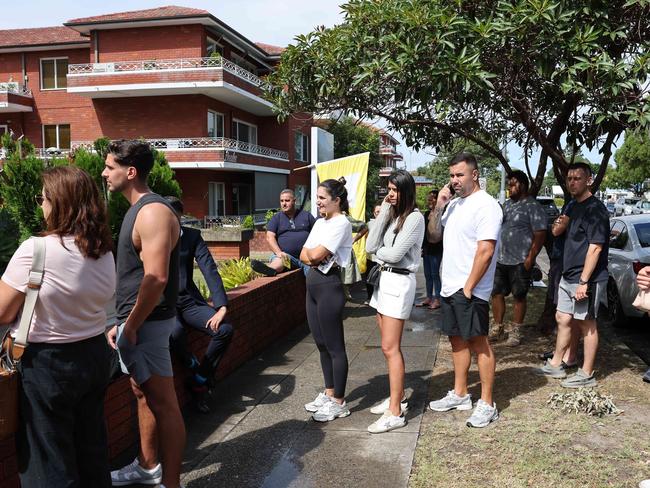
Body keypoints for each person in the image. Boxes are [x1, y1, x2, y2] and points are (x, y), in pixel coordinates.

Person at [0, 166, 115, 487]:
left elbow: (2, 312)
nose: (40, 205)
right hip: (93, 356)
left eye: (43, 198)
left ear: (60, 203)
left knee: (48, 460)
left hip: (47, 364)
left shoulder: (35, 250)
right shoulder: (102, 251)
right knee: (91, 451)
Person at [103, 140, 185, 488]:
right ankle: (148, 465)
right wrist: (118, 320)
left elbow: (157, 278)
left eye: (110, 167)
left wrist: (131, 325)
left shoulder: (152, 212)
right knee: (142, 392)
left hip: (147, 325)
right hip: (137, 323)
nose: (104, 173)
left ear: (130, 171)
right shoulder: (138, 210)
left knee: (164, 403)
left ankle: (170, 483)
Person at [427, 153, 503, 428]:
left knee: (478, 342)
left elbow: (486, 250)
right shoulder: (454, 205)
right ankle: (460, 393)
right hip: (449, 285)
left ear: (474, 174)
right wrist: (439, 206)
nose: (454, 180)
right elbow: (434, 236)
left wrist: (469, 287)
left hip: (470, 288)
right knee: (456, 341)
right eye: (451, 176)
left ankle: (487, 403)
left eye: (460, 175)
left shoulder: (487, 205)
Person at [536, 163, 609, 388]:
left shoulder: (595, 209)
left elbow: (595, 247)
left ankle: (586, 374)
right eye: (569, 178)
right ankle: (557, 363)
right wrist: (561, 223)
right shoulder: (571, 206)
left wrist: (584, 281)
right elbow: (556, 231)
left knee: (587, 324)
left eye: (577, 178)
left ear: (589, 180)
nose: (572, 182)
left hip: (587, 278)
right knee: (563, 318)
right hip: (567, 275)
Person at [365, 170, 425, 433]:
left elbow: (397, 254)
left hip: (399, 282)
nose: (390, 194)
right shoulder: (394, 215)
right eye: (389, 189)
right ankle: (396, 397)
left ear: (406, 191)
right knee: (386, 347)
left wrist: (380, 254)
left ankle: (395, 413)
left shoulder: (414, 218)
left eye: (395, 190)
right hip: (384, 281)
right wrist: (385, 213)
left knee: (391, 348)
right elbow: (370, 245)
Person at [166, 197, 234, 414]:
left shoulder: (193, 236)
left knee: (224, 330)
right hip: (164, 304)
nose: (170, 221)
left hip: (188, 301)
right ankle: (194, 368)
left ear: (180, 216)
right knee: (175, 333)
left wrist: (221, 305)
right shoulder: (153, 237)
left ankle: (201, 377)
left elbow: (209, 268)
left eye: (175, 217)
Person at [301, 178, 353, 422]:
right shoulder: (321, 223)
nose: (318, 202)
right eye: (318, 198)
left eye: (322, 198)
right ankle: (329, 391)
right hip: (312, 286)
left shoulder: (341, 223)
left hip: (329, 287)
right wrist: (312, 255)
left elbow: (318, 254)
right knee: (321, 343)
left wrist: (312, 255)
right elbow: (305, 254)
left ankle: (339, 401)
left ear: (336, 200)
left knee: (334, 347)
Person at [490, 171, 547, 346]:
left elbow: (540, 234)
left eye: (512, 185)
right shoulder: (507, 205)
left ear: (522, 185)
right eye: (508, 185)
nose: (509, 188)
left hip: (520, 261)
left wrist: (530, 258)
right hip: (501, 259)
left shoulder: (533, 206)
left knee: (519, 296)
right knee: (497, 293)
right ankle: (498, 328)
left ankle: (516, 332)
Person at [252, 189, 315, 276]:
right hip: (287, 256)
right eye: (282, 201)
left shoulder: (306, 216)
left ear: (294, 201)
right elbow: (270, 237)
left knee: (312, 276)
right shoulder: (276, 218)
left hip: (306, 258)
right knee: (280, 260)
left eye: (287, 200)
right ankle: (270, 270)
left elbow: (317, 233)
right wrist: (278, 252)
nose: (284, 203)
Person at [417, 189, 443, 310]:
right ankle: (429, 297)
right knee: (427, 274)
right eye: (429, 198)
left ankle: (437, 299)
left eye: (432, 198)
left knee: (435, 274)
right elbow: (423, 232)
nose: (429, 200)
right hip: (427, 248)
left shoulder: (441, 213)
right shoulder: (427, 214)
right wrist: (421, 247)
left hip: (437, 248)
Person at [341, 213, 368, 300]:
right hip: (328, 255)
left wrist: (354, 239)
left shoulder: (344, 218)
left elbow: (364, 227)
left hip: (343, 254)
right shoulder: (321, 219)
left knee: (345, 279)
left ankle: (345, 294)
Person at [364, 203, 383, 305]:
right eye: (377, 212)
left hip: (382, 258)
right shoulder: (369, 224)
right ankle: (369, 297)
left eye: (381, 211)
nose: (379, 214)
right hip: (371, 257)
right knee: (369, 277)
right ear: (374, 213)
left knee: (381, 279)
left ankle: (379, 298)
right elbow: (364, 236)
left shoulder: (387, 223)